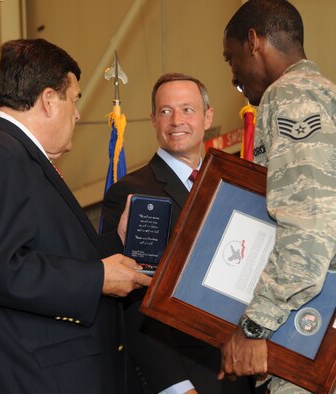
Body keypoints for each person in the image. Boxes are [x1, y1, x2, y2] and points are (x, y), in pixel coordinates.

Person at [0, 38, 151, 394]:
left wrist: (113, 242)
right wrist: (97, 278)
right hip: (23, 377)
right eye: (73, 100)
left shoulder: (9, 152)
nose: (76, 114)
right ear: (47, 99)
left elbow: (43, 252)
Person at [219, 0, 336, 393]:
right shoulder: (323, 94)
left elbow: (311, 226)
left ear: (253, 41)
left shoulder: (291, 97)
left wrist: (254, 325)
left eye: (231, 61)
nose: (235, 77)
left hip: (329, 356)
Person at [101, 73, 254, 394]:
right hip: (187, 378)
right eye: (166, 111)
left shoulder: (234, 183)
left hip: (244, 371)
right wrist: (176, 386)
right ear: (154, 120)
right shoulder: (131, 192)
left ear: (207, 117)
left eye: (187, 109)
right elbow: (134, 299)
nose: (176, 121)